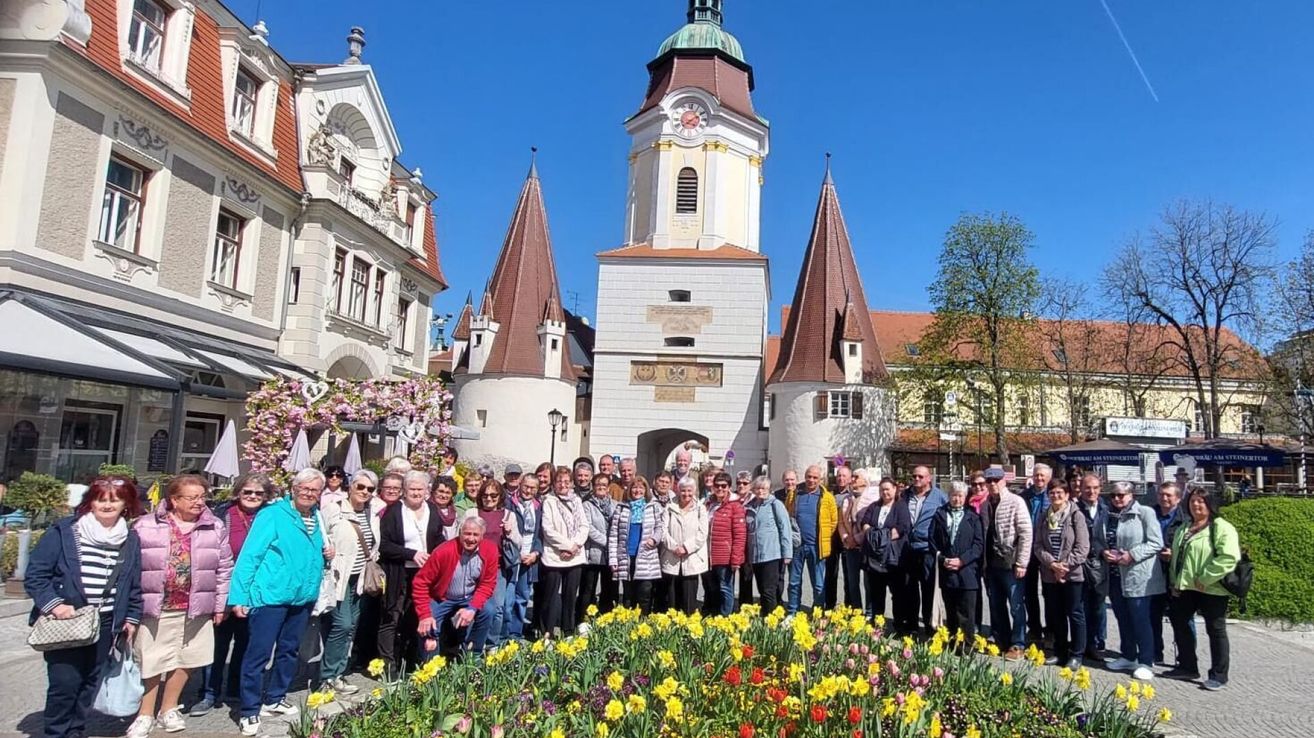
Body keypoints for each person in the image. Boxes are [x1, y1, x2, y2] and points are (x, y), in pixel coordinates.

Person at [27, 476, 144, 738]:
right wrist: (55, 605)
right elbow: (36, 575)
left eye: (114, 500)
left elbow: (133, 583)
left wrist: (132, 617)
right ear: (90, 502)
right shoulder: (65, 531)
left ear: (126, 504)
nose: (106, 505)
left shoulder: (130, 538)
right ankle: (56, 732)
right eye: (100, 499)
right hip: (66, 621)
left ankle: (75, 731)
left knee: (91, 682)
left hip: (105, 622)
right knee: (65, 683)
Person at [128, 475, 233, 738]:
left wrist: (220, 605)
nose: (200, 502)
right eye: (192, 497)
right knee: (151, 660)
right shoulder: (147, 525)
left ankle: (169, 708)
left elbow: (224, 569)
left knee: (188, 658)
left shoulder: (214, 526)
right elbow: (130, 567)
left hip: (197, 605)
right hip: (156, 604)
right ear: (174, 500)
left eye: (202, 497)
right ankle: (145, 713)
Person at [229, 469, 329, 736]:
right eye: (304, 488)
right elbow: (250, 556)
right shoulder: (272, 515)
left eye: (315, 490)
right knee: (258, 654)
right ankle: (249, 709)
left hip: (302, 596)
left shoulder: (316, 517)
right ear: (293, 489)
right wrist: (239, 596)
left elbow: (311, 553)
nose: (309, 493)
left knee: (289, 650)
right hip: (271, 595)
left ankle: (275, 697)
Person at [191, 473, 273, 716]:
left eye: (259, 493)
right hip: (223, 586)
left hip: (255, 589)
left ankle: (235, 688)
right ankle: (208, 692)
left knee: (246, 642)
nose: (252, 497)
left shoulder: (269, 516)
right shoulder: (221, 515)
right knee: (217, 642)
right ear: (238, 492)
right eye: (248, 492)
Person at [1165, 489, 1240, 690]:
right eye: (1192, 501)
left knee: (1215, 630)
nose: (1196, 505)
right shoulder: (1185, 527)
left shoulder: (1222, 527)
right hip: (1185, 587)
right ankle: (1187, 666)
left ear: (1209, 504)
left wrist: (1205, 578)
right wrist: (1175, 582)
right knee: (1180, 624)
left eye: (1200, 501)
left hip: (1212, 588)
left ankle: (1219, 674)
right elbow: (1178, 559)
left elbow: (1229, 557)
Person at [319, 470, 384, 694]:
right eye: (360, 487)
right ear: (350, 487)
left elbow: (373, 544)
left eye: (370, 489)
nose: (365, 492)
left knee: (351, 626)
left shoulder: (372, 513)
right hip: (339, 576)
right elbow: (321, 536)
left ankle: (339, 673)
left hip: (360, 578)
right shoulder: (333, 510)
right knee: (342, 624)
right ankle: (327, 676)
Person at [377, 470, 444, 674]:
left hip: (425, 574)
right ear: (404, 491)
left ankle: (411, 660)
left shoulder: (432, 509)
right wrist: (411, 554)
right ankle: (388, 665)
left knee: (416, 617)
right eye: (411, 489)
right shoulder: (394, 512)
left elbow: (438, 538)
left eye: (419, 489)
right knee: (392, 616)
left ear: (426, 491)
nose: (416, 493)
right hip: (399, 571)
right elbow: (384, 545)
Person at [1103, 481, 1165, 682]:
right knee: (1123, 617)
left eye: (1121, 495)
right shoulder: (1108, 514)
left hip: (1138, 575)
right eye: (1113, 495)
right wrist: (1103, 551)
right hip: (1115, 574)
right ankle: (1128, 655)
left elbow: (1156, 542)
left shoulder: (1145, 513)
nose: (1117, 499)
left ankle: (1146, 661)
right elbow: (1101, 539)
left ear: (1131, 495)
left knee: (1140, 619)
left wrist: (1132, 554)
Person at [413, 517, 500, 656]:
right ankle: (430, 666)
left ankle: (472, 655)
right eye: (467, 533)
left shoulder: (490, 549)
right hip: (442, 597)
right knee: (428, 626)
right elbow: (420, 582)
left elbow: (487, 583)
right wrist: (424, 615)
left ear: (482, 536)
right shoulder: (444, 551)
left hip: (470, 596)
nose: (470, 539)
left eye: (475, 535)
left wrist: (472, 608)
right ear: (460, 533)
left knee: (488, 610)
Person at [1032, 480, 1089, 670]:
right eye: (1052, 493)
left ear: (1066, 495)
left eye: (1059, 493)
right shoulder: (1043, 517)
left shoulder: (1076, 516)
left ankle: (1077, 654)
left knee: (1075, 613)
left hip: (1072, 575)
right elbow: (1038, 545)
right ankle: (1060, 651)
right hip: (1050, 574)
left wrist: (1064, 566)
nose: (1055, 496)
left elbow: (1082, 548)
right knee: (1056, 614)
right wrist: (1052, 564)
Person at [461, 479, 520, 648]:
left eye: (493, 495)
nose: (489, 498)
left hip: (497, 568)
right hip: (472, 566)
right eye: (485, 495)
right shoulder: (472, 513)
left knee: (497, 608)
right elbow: (460, 537)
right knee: (471, 605)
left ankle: (491, 643)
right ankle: (470, 643)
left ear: (500, 496)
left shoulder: (509, 515)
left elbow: (519, 543)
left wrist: (509, 532)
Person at [983, 467, 1032, 661]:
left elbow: (1026, 533)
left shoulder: (1015, 501)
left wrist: (1022, 563)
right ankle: (1000, 638)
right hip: (992, 562)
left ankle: (1018, 643)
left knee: (1016, 605)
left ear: (1004, 481)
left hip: (1010, 562)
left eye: (996, 480)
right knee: (996, 605)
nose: (993, 484)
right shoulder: (986, 503)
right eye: (990, 481)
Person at [929, 481, 984, 646]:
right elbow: (932, 540)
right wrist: (942, 559)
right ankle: (952, 642)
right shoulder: (939, 515)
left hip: (967, 572)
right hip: (947, 570)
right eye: (954, 495)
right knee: (951, 610)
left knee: (966, 612)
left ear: (965, 497)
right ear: (949, 496)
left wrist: (962, 560)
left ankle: (967, 645)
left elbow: (978, 544)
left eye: (960, 496)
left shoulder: (973, 517)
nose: (957, 499)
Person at [540, 467, 588, 635]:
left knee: (570, 595)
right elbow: (548, 529)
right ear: (554, 483)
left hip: (575, 555)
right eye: (560, 481)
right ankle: (547, 631)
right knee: (551, 596)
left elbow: (584, 525)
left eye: (567, 482)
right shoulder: (549, 501)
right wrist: (567, 546)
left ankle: (568, 629)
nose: (563, 485)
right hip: (555, 555)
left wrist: (575, 546)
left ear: (572, 484)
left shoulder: (577, 501)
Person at [900, 465, 947, 635]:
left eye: (920, 476)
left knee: (928, 589)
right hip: (908, 548)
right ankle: (912, 624)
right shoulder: (905, 496)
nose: (917, 479)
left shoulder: (940, 497)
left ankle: (929, 625)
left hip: (927, 549)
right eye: (914, 476)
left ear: (929, 478)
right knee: (909, 588)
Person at [784, 465, 837, 615]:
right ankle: (793, 611)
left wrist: (823, 538)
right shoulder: (794, 494)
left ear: (820, 479)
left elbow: (833, 522)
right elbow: (788, 515)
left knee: (818, 584)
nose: (811, 480)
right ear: (804, 477)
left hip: (817, 546)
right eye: (809, 476)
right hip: (797, 546)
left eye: (815, 477)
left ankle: (817, 614)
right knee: (794, 582)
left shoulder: (827, 497)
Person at [858, 478, 911, 623]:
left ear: (895, 489)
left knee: (898, 594)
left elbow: (902, 528)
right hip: (875, 559)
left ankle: (899, 624)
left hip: (893, 558)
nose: (885, 492)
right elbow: (865, 523)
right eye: (882, 490)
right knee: (877, 594)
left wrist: (878, 537)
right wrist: (880, 536)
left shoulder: (901, 506)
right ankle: (877, 624)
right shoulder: (874, 506)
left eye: (887, 489)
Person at [609, 476, 663, 612]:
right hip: (626, 556)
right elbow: (614, 534)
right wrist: (613, 558)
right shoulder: (621, 508)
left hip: (646, 556)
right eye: (634, 487)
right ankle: (629, 627)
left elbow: (660, 527)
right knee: (628, 595)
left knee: (645, 594)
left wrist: (654, 539)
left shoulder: (653, 507)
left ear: (646, 490)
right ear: (629, 489)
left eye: (641, 487)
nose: (637, 490)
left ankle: (643, 626)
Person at [743, 475, 791, 615]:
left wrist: (787, 553)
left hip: (771, 554)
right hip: (755, 556)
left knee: (769, 590)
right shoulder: (750, 506)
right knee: (761, 589)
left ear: (769, 489)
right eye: (758, 488)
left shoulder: (775, 504)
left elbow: (785, 528)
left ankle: (772, 619)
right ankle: (766, 615)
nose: (760, 491)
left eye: (764, 488)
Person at [1152, 482, 1187, 666]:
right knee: (1153, 616)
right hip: (1153, 573)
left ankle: (1185, 658)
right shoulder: (1150, 514)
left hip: (1176, 575)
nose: (1164, 498)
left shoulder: (1185, 519)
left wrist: (1174, 555)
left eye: (1168, 495)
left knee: (1181, 619)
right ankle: (1155, 653)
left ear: (1178, 498)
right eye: (1161, 494)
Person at [661, 477, 709, 614]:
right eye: (683, 491)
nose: (686, 494)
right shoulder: (669, 507)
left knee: (689, 601)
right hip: (672, 557)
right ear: (678, 490)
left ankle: (688, 629)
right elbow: (663, 531)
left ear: (694, 491)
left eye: (689, 491)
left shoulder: (701, 508)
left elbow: (702, 533)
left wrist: (686, 548)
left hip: (691, 559)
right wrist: (674, 547)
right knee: (672, 601)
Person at [704, 472, 747, 616]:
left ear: (729, 487)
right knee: (712, 588)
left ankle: (725, 618)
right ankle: (715, 615)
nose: (720, 489)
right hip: (709, 554)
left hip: (725, 555)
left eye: (724, 486)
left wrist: (736, 559)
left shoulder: (735, 506)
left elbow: (740, 535)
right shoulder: (709, 504)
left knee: (725, 588)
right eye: (717, 486)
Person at [1077, 474, 1110, 661]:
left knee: (1098, 607)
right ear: (1081, 489)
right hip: (1081, 565)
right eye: (1088, 488)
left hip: (1101, 565)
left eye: (1095, 488)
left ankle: (1097, 643)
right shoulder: (1075, 509)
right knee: (1081, 607)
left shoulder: (1106, 509)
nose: (1092, 491)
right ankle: (1083, 644)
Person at [1020, 463, 1053, 643]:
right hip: (1029, 549)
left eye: (1043, 476)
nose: (1039, 479)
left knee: (1049, 592)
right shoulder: (1024, 496)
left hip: (1047, 549)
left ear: (1048, 477)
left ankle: (1050, 630)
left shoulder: (1054, 495)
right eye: (1037, 475)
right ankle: (1034, 628)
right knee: (1029, 591)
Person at [578, 473, 618, 622]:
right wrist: (608, 541)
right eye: (598, 485)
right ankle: (584, 619)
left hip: (611, 556)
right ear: (593, 487)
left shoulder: (615, 505)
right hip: (593, 553)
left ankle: (606, 619)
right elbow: (588, 528)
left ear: (608, 488)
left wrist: (614, 545)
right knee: (588, 589)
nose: (601, 487)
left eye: (604, 485)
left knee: (610, 589)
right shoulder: (586, 505)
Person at [508, 472, 542, 639]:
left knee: (522, 597)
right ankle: (501, 635)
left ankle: (515, 633)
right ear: (520, 484)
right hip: (511, 557)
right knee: (507, 600)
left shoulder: (538, 506)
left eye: (532, 488)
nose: (528, 491)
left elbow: (540, 534)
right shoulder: (509, 503)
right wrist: (516, 553)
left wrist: (535, 553)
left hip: (529, 558)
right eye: (526, 486)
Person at [824, 465, 855, 610]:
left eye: (844, 476)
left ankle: (849, 606)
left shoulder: (853, 495)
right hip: (831, 538)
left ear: (849, 479)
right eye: (839, 476)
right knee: (831, 573)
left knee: (849, 575)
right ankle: (829, 605)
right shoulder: (829, 494)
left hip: (847, 537)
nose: (841, 479)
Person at [836, 466, 866, 612]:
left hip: (865, 546)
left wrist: (857, 539)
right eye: (852, 477)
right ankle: (856, 610)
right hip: (850, 546)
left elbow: (871, 523)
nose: (852, 480)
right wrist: (846, 538)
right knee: (852, 581)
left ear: (865, 481)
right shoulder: (847, 499)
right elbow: (841, 522)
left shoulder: (872, 498)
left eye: (856, 477)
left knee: (869, 583)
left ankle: (871, 613)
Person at [650, 472, 675, 612]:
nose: (663, 484)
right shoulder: (649, 497)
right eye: (661, 481)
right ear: (655, 482)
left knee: (666, 578)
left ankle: (664, 608)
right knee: (652, 578)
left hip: (668, 542)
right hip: (653, 542)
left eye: (666, 482)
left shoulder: (674, 498)